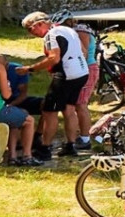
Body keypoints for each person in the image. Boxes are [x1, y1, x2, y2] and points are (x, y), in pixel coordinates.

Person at [18, 11, 89, 158]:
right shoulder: (68, 30)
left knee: (49, 112)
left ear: (40, 24)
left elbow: (54, 58)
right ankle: (70, 146)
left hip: (66, 75)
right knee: (69, 109)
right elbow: (83, 51)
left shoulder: (51, 35)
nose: (32, 34)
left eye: (31, 29)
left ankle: (45, 148)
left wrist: (30, 69)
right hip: (81, 73)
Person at [0, 54, 50, 161]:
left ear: (7, 64)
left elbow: (23, 94)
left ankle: (37, 136)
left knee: (47, 105)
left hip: (16, 99)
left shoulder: (17, 70)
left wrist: (12, 105)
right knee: (22, 114)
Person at [65, 17, 99, 150]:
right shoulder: (81, 30)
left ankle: (85, 138)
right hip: (85, 68)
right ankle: (82, 136)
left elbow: (82, 53)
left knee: (81, 104)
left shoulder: (80, 31)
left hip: (87, 68)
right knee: (78, 104)